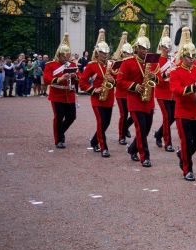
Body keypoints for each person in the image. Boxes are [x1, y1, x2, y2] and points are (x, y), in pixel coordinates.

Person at [117, 25, 157, 167]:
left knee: (146, 129)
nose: (144, 51)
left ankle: (132, 148)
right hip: (135, 100)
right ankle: (144, 156)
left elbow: (156, 78)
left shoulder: (150, 61)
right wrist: (135, 86)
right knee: (140, 128)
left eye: (146, 48)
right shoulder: (128, 62)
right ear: (136, 48)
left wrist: (154, 77)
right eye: (142, 48)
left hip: (148, 99)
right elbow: (120, 81)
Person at [170, 28, 196, 181]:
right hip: (182, 112)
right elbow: (175, 90)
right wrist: (192, 87)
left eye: (193, 56)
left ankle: (183, 155)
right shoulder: (175, 71)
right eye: (189, 57)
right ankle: (187, 169)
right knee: (186, 141)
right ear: (182, 57)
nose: (192, 59)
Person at [78, 29, 115, 157]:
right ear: (97, 53)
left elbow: (118, 80)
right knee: (101, 121)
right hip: (97, 98)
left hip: (109, 98)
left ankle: (94, 141)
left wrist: (113, 80)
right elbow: (82, 83)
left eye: (106, 53)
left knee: (106, 122)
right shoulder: (91, 66)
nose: (105, 55)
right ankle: (103, 146)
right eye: (102, 53)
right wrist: (94, 90)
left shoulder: (111, 65)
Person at [44, 34, 78, 147]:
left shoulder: (72, 64)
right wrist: (60, 79)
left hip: (70, 94)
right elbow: (46, 79)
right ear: (59, 55)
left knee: (72, 116)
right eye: (65, 56)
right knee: (59, 117)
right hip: (57, 95)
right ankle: (58, 140)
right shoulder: (51, 65)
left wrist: (74, 76)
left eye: (68, 56)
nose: (67, 58)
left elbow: (81, 77)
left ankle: (60, 132)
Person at [153, 26, 176, 153]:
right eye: (165, 47)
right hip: (162, 93)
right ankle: (168, 142)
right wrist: (165, 75)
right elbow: (155, 78)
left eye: (169, 47)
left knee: (172, 117)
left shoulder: (171, 60)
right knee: (167, 116)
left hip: (171, 92)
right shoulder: (156, 61)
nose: (167, 50)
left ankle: (158, 134)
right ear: (161, 47)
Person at [111, 32, 134, 144]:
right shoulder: (116, 64)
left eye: (129, 53)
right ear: (122, 53)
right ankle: (121, 136)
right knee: (124, 114)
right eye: (126, 53)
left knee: (134, 114)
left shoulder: (132, 63)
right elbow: (115, 79)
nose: (128, 55)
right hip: (121, 93)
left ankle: (125, 128)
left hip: (130, 92)